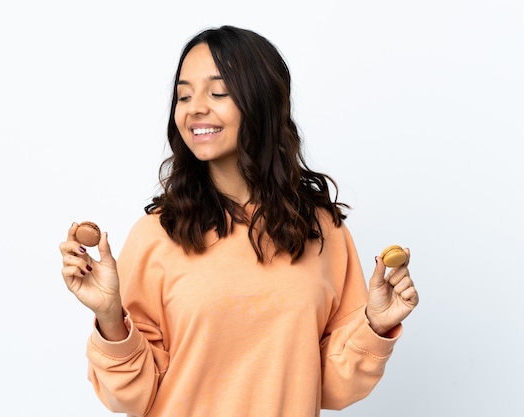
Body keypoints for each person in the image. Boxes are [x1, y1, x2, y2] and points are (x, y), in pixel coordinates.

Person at [60, 25, 419, 417]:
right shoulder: (157, 236)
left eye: (218, 92)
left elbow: (331, 388)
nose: (195, 107)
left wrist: (374, 325)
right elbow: (130, 397)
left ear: (261, 101)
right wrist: (111, 317)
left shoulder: (321, 230)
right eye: (184, 95)